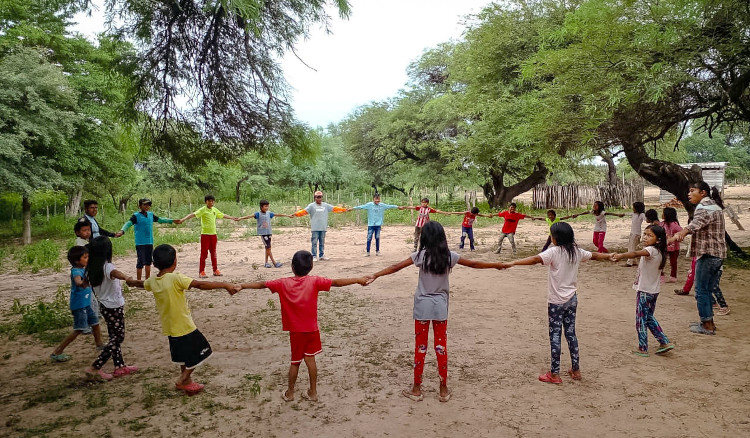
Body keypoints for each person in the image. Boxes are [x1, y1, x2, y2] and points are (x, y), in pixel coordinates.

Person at [367, 221, 508, 402]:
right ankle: (443, 389)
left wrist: (376, 275)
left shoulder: (420, 256)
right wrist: (496, 265)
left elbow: (395, 267)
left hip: (422, 307)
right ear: (442, 237)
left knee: (420, 347)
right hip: (440, 307)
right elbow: (473, 264)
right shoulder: (449, 256)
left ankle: (416, 389)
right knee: (441, 348)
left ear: (424, 237)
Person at [239, 250, 369, 402]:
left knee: (295, 362)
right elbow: (336, 283)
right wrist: (358, 279)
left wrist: (241, 285)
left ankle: (290, 393)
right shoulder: (314, 281)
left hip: (296, 332)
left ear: (292, 267)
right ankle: (313, 392)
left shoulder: (282, 283)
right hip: (312, 329)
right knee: (310, 360)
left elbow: (262, 284)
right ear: (311, 267)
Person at [507, 222, 612, 384]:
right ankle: (575, 370)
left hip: (556, 302)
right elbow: (595, 255)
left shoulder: (554, 252)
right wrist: (610, 256)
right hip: (572, 299)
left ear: (555, 238)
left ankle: (554, 374)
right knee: (571, 333)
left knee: (555, 335)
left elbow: (535, 259)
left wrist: (512, 263)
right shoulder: (576, 251)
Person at [144, 244, 241, 395]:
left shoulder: (153, 281)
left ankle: (187, 382)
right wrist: (224, 285)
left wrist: (128, 280)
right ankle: (183, 378)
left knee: (183, 357)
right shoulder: (176, 278)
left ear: (155, 263)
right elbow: (200, 284)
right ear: (174, 262)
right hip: (184, 326)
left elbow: (141, 284)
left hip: (170, 327)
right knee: (203, 351)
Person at [670, 182, 729, 333]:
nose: (689, 194)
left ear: (702, 192)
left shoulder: (704, 207)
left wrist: (680, 233)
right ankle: (709, 322)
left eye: (692, 191)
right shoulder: (714, 205)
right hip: (717, 254)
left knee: (701, 290)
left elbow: (695, 224)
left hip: (708, 254)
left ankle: (707, 325)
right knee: (707, 290)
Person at [83, 236, 143, 380]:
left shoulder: (91, 268)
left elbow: (85, 283)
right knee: (118, 338)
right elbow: (115, 273)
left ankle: (119, 366)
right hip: (114, 307)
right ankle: (95, 367)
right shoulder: (107, 266)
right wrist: (128, 278)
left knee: (113, 336)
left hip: (104, 306)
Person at [612, 225, 675, 357]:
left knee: (641, 320)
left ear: (657, 240)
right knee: (648, 318)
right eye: (645, 234)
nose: (645, 237)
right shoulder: (659, 250)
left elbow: (635, 253)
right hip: (653, 291)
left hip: (645, 291)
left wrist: (621, 255)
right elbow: (667, 240)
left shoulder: (651, 250)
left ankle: (643, 347)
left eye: (649, 235)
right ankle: (663, 341)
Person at [49, 246, 104, 362]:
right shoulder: (76, 271)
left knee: (95, 323)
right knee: (78, 329)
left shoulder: (84, 268)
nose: (87, 259)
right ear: (76, 261)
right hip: (79, 305)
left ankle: (99, 344)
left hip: (86, 303)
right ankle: (57, 352)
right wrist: (85, 282)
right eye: (85, 257)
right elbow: (78, 281)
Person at [179, 195, 239, 278]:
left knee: (213, 253)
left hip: (213, 235)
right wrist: (183, 219)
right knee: (204, 253)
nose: (211, 203)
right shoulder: (203, 210)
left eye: (212, 201)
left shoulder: (214, 210)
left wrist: (232, 218)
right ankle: (202, 271)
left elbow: (222, 215)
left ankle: (215, 270)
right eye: (209, 201)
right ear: (206, 202)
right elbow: (193, 215)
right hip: (205, 235)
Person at [120, 198, 180, 280]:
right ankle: (139, 281)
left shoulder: (150, 215)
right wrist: (122, 231)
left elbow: (160, 220)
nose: (147, 206)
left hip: (149, 242)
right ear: (140, 206)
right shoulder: (136, 216)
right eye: (144, 204)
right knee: (140, 262)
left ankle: (147, 281)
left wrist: (172, 221)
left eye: (148, 205)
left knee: (148, 262)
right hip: (140, 243)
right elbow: (128, 224)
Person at [292, 191, 348, 261]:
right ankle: (314, 256)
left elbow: (335, 208)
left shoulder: (326, 205)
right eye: (318, 197)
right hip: (315, 228)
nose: (319, 198)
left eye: (320, 197)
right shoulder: (311, 206)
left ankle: (321, 255)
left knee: (322, 242)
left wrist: (344, 210)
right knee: (314, 243)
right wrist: (296, 214)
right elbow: (304, 211)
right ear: (315, 198)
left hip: (323, 227)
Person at [238, 200, 291, 268]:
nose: (267, 207)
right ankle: (274, 262)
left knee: (268, 248)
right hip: (263, 234)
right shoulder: (258, 214)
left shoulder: (269, 213)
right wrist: (240, 218)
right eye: (265, 206)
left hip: (269, 232)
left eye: (267, 206)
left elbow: (278, 214)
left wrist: (288, 215)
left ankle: (266, 263)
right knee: (268, 247)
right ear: (261, 207)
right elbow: (249, 216)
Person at [661, 207, 683, 283]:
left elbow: (682, 231)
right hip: (664, 247)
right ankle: (661, 275)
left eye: (663, 213)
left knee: (673, 263)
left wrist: (677, 236)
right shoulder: (662, 224)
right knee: (662, 262)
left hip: (674, 248)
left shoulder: (674, 225)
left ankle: (673, 276)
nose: (662, 214)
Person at [625, 202, 646, 267]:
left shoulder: (641, 214)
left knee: (631, 247)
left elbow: (646, 219)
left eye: (633, 207)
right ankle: (634, 261)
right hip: (633, 233)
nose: (633, 209)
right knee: (631, 247)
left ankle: (629, 262)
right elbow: (627, 214)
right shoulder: (634, 214)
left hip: (636, 233)